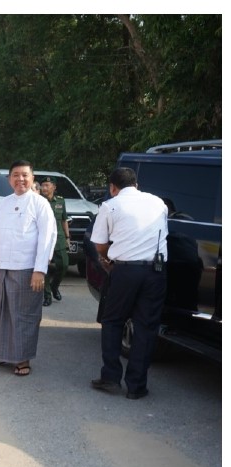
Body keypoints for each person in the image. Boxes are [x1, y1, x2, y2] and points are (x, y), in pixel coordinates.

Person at [90, 167, 168, 400]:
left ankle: (111, 377)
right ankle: (137, 386)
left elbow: (100, 244)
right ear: (136, 185)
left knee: (113, 321)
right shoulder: (158, 203)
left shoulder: (110, 206)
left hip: (125, 270)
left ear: (113, 187)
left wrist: (107, 259)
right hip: (156, 272)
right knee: (146, 326)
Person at [0, 160, 56, 376]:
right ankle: (5, 353)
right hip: (2, 267)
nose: (20, 179)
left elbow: (47, 238)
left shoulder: (40, 204)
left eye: (25, 175)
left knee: (24, 315)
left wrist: (39, 270)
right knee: (0, 312)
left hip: (26, 268)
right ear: (9, 179)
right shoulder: (4, 203)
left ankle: (22, 358)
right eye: (16, 175)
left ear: (32, 178)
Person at [40, 176, 70, 306]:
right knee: (44, 267)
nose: (44, 188)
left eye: (47, 185)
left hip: (59, 238)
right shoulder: (39, 201)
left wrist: (67, 237)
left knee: (64, 265)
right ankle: (47, 295)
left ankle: (54, 286)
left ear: (54, 187)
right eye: (43, 185)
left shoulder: (60, 201)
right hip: (43, 239)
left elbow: (64, 220)